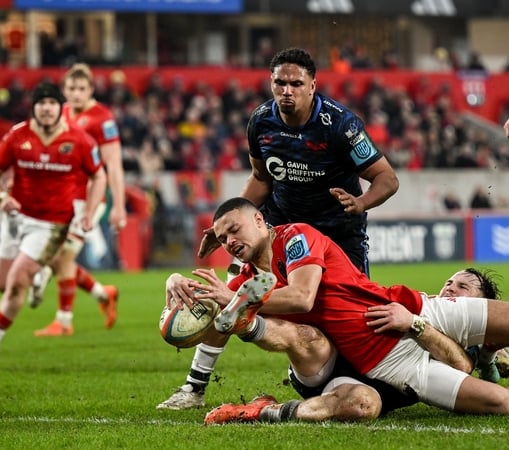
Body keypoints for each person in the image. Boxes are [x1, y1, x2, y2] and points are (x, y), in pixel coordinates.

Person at [157, 47, 399, 410]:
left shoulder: (341, 126)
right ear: (271, 84)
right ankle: (194, 388)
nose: (287, 90)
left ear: (312, 85)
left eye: (296, 84)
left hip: (336, 236)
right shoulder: (261, 123)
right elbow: (260, 179)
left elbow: (387, 178)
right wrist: (225, 225)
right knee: (231, 293)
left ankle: (359, 379)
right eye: (279, 83)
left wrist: (360, 203)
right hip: (276, 232)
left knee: (351, 317)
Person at [194, 197, 509, 420]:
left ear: (260, 220)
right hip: (386, 361)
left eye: (235, 229)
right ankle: (266, 411)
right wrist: (177, 284)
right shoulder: (242, 283)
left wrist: (416, 324)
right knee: (503, 403)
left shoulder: (296, 238)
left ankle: (502, 369)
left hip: (413, 308)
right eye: (223, 236)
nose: (229, 240)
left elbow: (302, 296)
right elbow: (216, 314)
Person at [166, 268, 497, 424]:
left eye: (463, 287)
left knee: (362, 408)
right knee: (304, 337)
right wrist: (177, 280)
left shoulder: (455, 338)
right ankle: (245, 323)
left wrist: (414, 325)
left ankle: (260, 410)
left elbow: (462, 370)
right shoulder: (420, 303)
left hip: (356, 386)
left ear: (479, 306)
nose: (450, 288)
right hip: (331, 356)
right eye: (449, 282)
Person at [0, 81, 106, 356]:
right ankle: (39, 275)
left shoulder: (79, 139)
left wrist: (91, 211)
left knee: (16, 281)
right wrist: (1, 197)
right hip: (14, 218)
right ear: (33, 108)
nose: (47, 109)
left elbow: (99, 175)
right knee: (2, 285)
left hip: (52, 224)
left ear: (61, 108)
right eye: (41, 103)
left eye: (52, 104)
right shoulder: (16, 136)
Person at [32, 63, 124, 336]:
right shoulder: (62, 117)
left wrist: (118, 206)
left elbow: (114, 164)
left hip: (91, 199)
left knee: (65, 254)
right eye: (71, 88)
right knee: (61, 259)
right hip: (64, 198)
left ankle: (63, 320)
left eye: (81, 88)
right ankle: (102, 293)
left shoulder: (102, 118)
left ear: (91, 90)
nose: (75, 93)